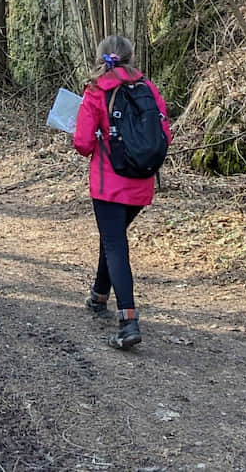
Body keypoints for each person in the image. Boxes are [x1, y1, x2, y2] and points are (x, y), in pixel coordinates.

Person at [72, 34, 171, 349]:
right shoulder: (149, 89)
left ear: (101, 59)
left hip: (108, 183)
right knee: (111, 238)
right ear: (130, 58)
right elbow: (164, 134)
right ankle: (99, 296)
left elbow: (83, 144)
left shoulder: (96, 91)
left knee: (115, 244)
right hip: (142, 182)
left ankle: (128, 321)